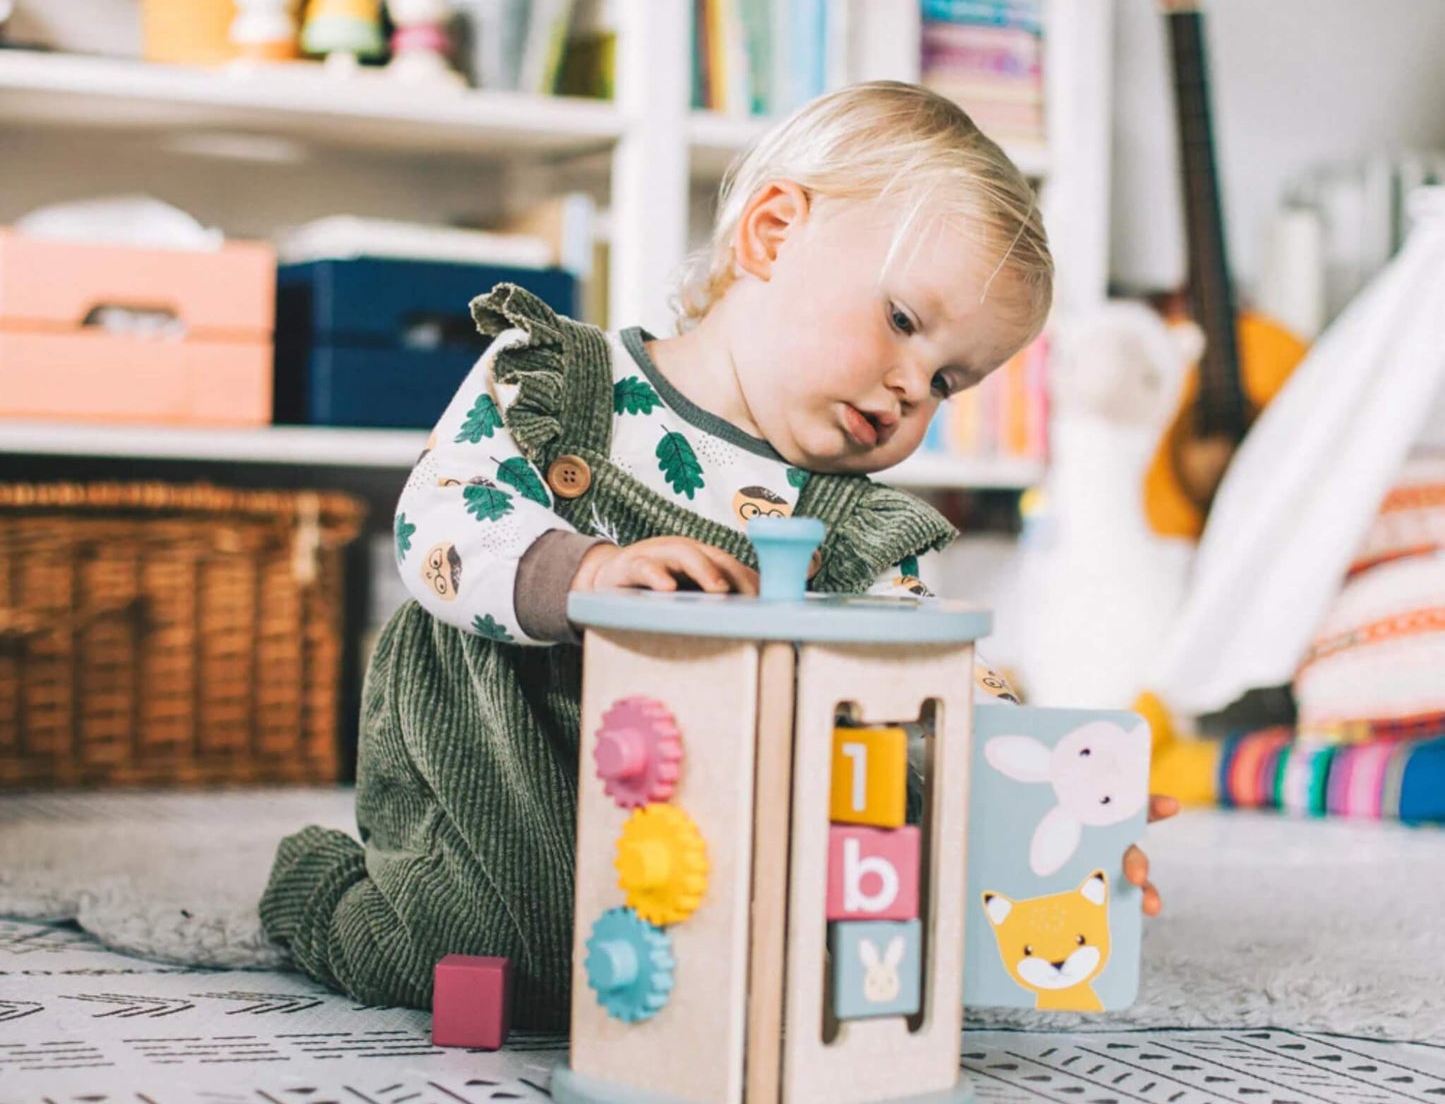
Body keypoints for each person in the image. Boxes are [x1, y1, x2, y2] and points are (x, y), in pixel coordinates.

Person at [261, 82, 1172, 1028]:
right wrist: (579, 575)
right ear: (773, 233)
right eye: (902, 322)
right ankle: (322, 887)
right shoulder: (555, 382)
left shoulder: (859, 527)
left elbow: (938, 684)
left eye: (948, 380)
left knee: (812, 952)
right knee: (488, 951)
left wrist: (1057, 809)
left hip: (716, 827)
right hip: (509, 767)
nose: (911, 388)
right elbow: (436, 524)